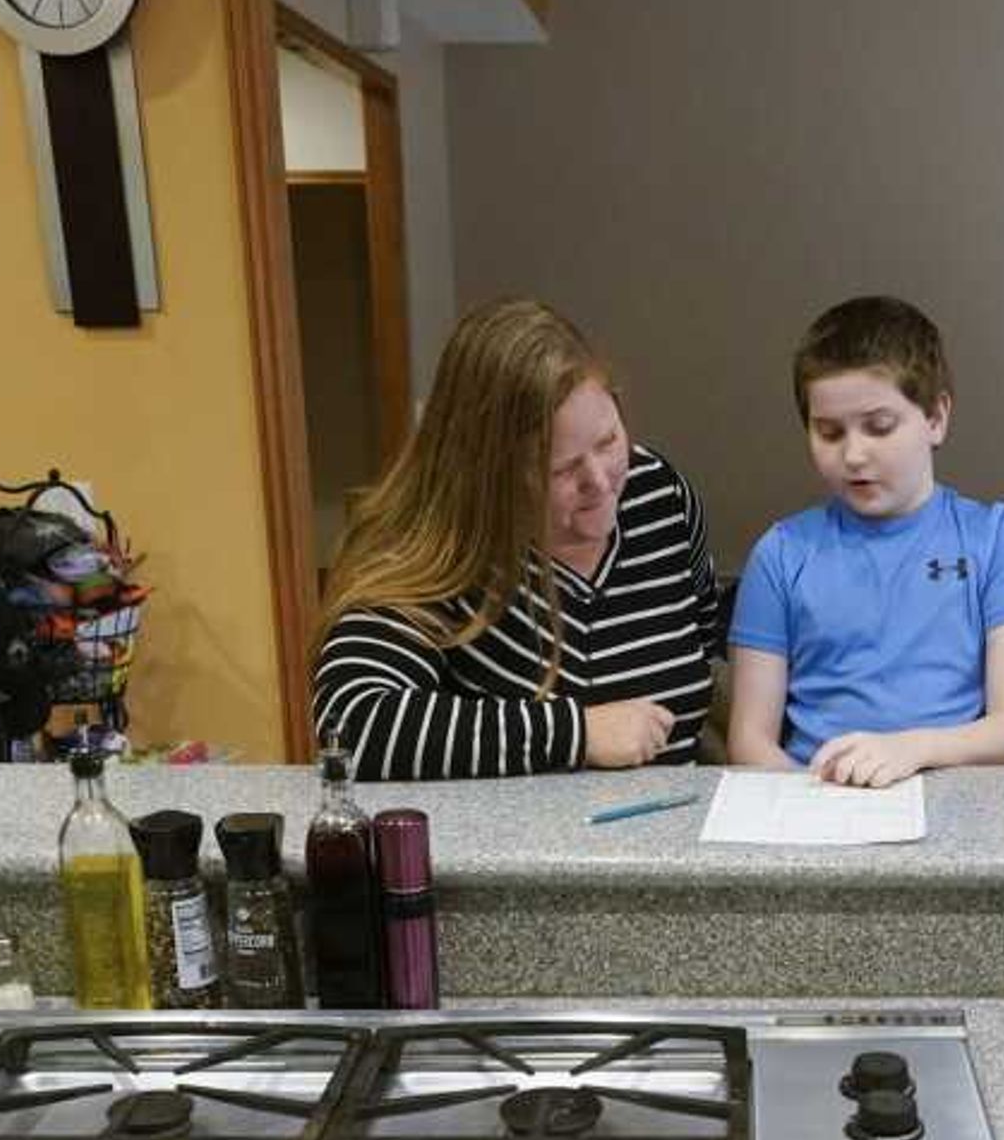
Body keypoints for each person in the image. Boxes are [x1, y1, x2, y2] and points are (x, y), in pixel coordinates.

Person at [308, 298, 719, 780]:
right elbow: (352, 722)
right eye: (562, 469)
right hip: (516, 849)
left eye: (609, 442)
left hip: (676, 837)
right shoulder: (436, 546)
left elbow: (709, 644)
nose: (602, 481)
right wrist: (577, 733)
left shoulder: (660, 496)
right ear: (489, 474)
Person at [724, 295, 1004, 787]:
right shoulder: (780, 554)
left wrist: (910, 749)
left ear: (936, 418)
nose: (854, 455)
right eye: (828, 433)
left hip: (959, 801)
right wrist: (809, 805)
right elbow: (750, 742)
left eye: (879, 427)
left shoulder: (1002, 539)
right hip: (816, 802)